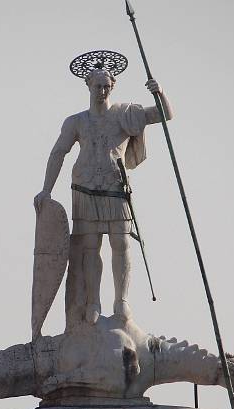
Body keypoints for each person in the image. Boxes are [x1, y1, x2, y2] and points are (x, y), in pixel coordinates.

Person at [34, 68, 173, 324]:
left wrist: (159, 93)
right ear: (88, 86)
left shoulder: (125, 115)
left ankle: (121, 300)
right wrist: (46, 189)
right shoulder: (76, 121)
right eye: (97, 86)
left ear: (113, 86)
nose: (102, 91)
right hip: (85, 188)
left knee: (121, 243)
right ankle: (93, 301)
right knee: (90, 247)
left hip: (115, 186)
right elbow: (58, 153)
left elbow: (164, 115)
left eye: (106, 86)